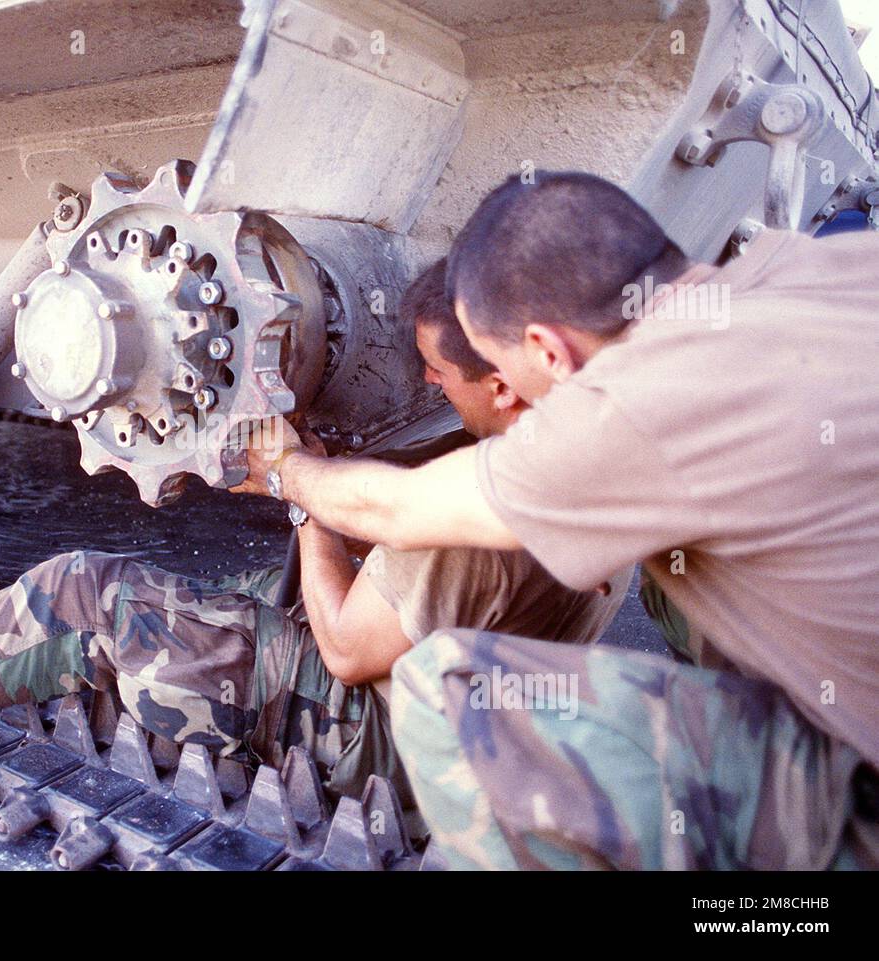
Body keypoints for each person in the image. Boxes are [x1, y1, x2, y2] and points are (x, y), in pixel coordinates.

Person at [0, 257, 629, 811]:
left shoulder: (469, 518)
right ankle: (3, 666)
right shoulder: (592, 445)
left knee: (89, 592)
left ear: (506, 380)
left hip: (402, 743)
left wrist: (304, 493)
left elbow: (350, 652)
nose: (431, 388)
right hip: (489, 717)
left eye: (441, 372)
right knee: (233, 597)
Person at [240, 171, 879, 868]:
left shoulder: (639, 409)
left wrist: (287, 470)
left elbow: (401, 509)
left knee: (445, 690)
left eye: (499, 362)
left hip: (860, 801)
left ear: (547, 349)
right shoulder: (814, 266)